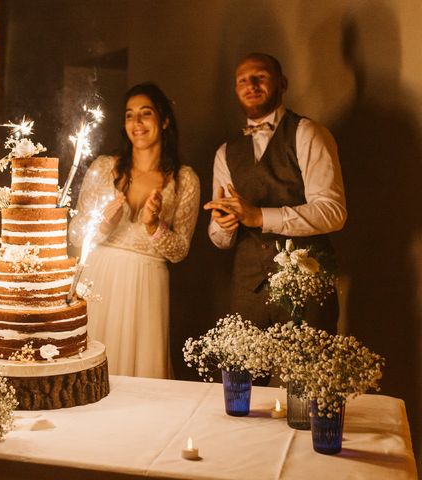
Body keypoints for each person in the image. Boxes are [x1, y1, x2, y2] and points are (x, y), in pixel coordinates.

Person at [204, 53, 347, 333]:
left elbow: (333, 212)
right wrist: (224, 225)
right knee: (240, 377)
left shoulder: (307, 133)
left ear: (282, 83)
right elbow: (218, 238)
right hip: (247, 289)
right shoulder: (225, 152)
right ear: (235, 90)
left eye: (261, 77)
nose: (251, 85)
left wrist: (259, 216)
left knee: (308, 376)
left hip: (306, 286)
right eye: (242, 80)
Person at [70, 83, 200, 379]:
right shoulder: (103, 168)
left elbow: (179, 251)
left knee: (142, 376)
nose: (137, 123)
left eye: (146, 114)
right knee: (91, 370)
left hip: (146, 283)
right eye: (129, 115)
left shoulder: (184, 179)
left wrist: (154, 226)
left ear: (164, 120)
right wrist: (102, 225)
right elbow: (75, 233)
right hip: (99, 277)